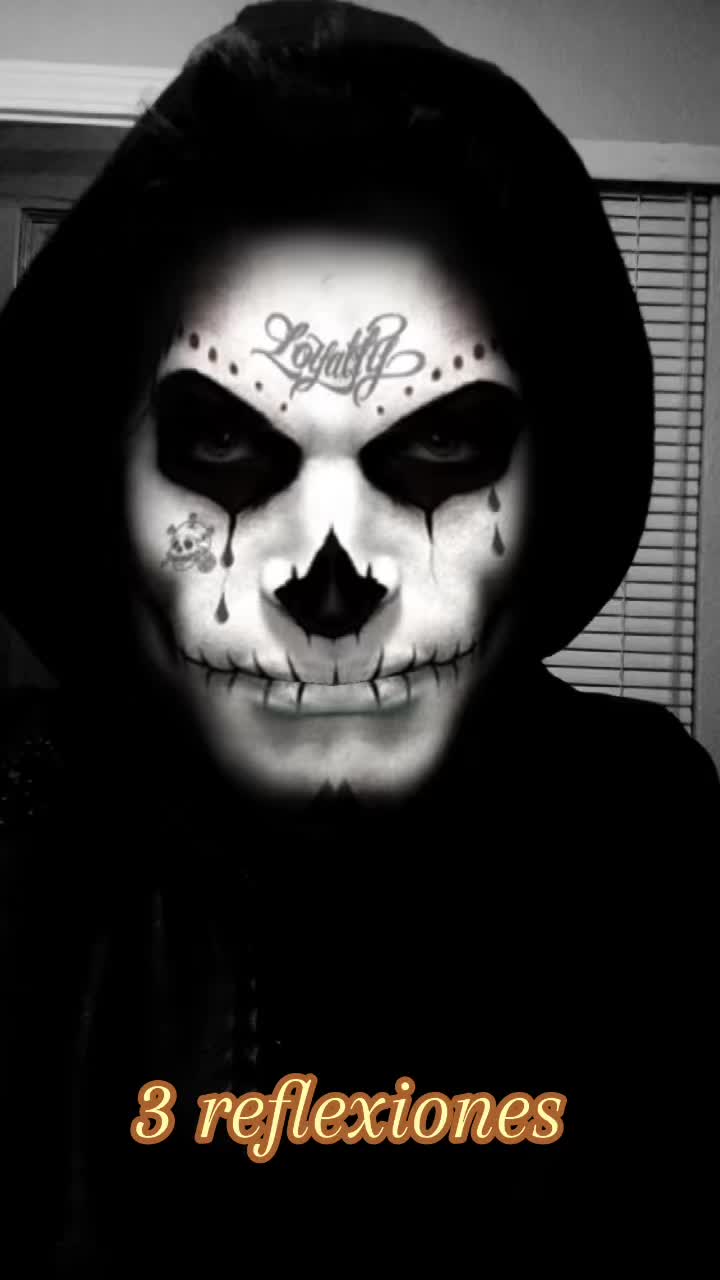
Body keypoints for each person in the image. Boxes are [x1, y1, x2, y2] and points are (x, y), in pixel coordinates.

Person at [0, 1, 716, 1268]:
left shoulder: (643, 839)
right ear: (97, 480)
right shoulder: (24, 837)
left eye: (440, 440)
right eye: (224, 439)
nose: (331, 580)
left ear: (557, 478)